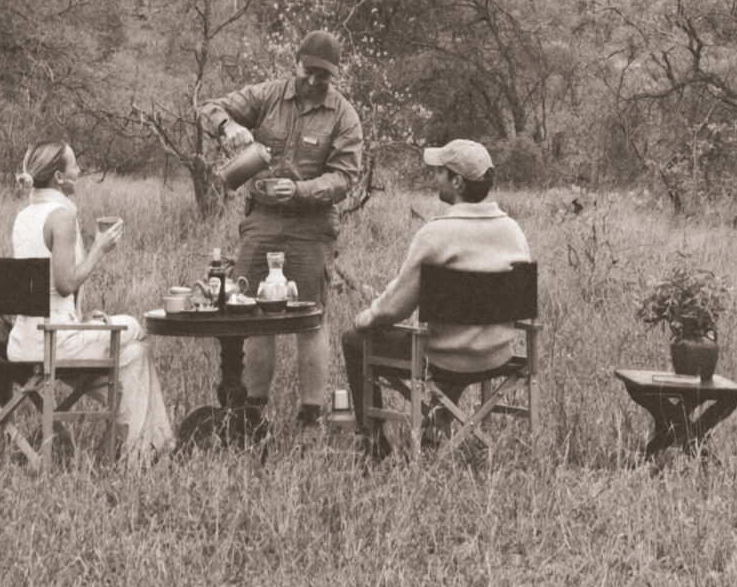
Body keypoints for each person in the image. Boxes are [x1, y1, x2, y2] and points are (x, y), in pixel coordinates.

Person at [199, 31, 364, 434]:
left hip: (312, 225)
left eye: (323, 76)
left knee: (310, 316)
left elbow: (345, 177)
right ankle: (254, 411)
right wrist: (227, 129)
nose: (313, 81)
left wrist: (301, 190)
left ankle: (311, 414)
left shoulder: (344, 115)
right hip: (262, 220)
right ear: (296, 64)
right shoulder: (268, 95)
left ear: (334, 76)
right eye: (308, 71)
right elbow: (209, 108)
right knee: (254, 312)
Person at [343, 137, 530, 452]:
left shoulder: (435, 233)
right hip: (498, 355)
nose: (435, 177)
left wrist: (368, 316)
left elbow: (395, 308)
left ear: (457, 181)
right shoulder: (513, 230)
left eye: (440, 172)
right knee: (457, 330)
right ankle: (435, 423)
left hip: (447, 358)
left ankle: (374, 441)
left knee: (354, 339)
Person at [7, 139, 174, 463]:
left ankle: (148, 454)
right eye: (74, 165)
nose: (79, 170)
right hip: (53, 343)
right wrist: (100, 248)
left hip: (24, 341)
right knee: (134, 326)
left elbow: (47, 293)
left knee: (135, 355)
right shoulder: (60, 216)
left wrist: (84, 320)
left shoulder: (24, 216)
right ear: (59, 176)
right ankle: (145, 454)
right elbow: (65, 284)